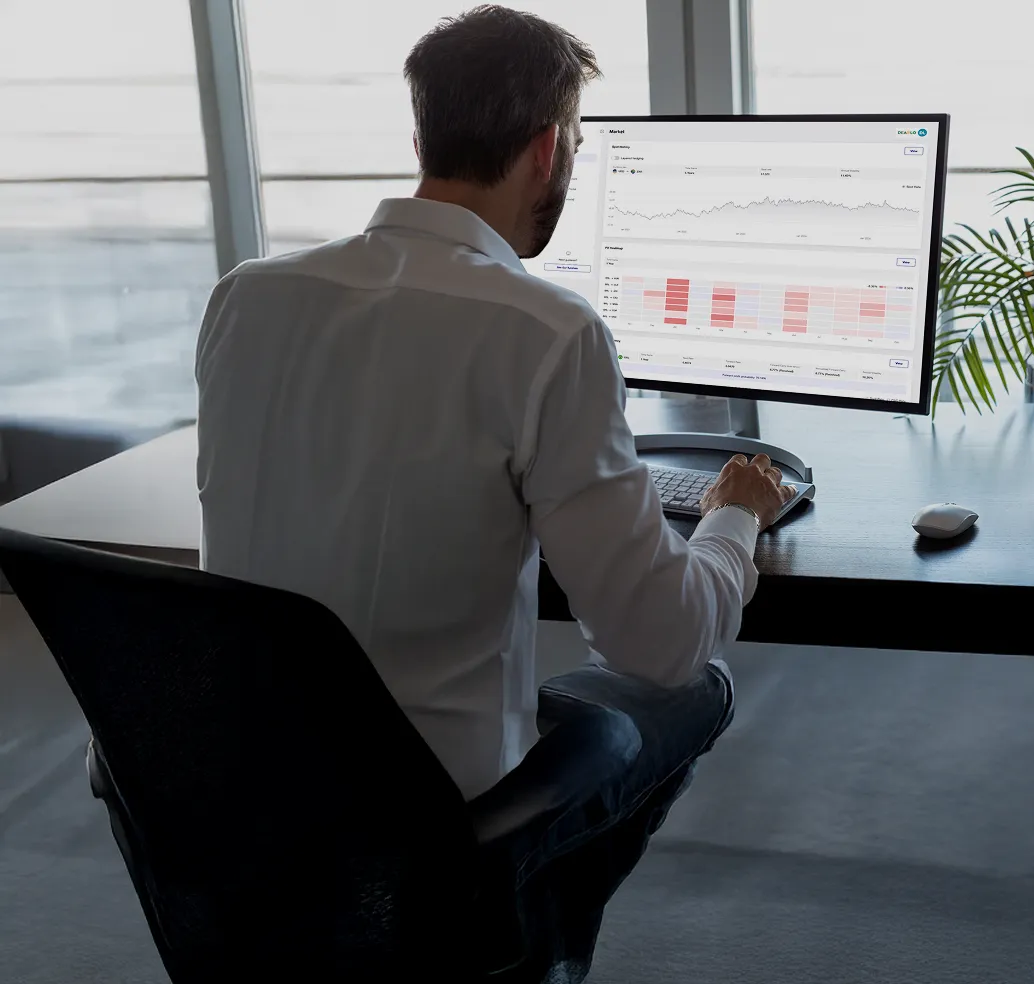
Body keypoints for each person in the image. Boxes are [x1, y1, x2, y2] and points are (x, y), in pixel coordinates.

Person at [195, 4, 794, 979]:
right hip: (428, 802)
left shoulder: (246, 296)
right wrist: (734, 513)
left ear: (423, 135)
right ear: (548, 150)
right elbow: (658, 644)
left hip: (241, 780)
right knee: (696, 690)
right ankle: (514, 951)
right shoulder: (546, 330)